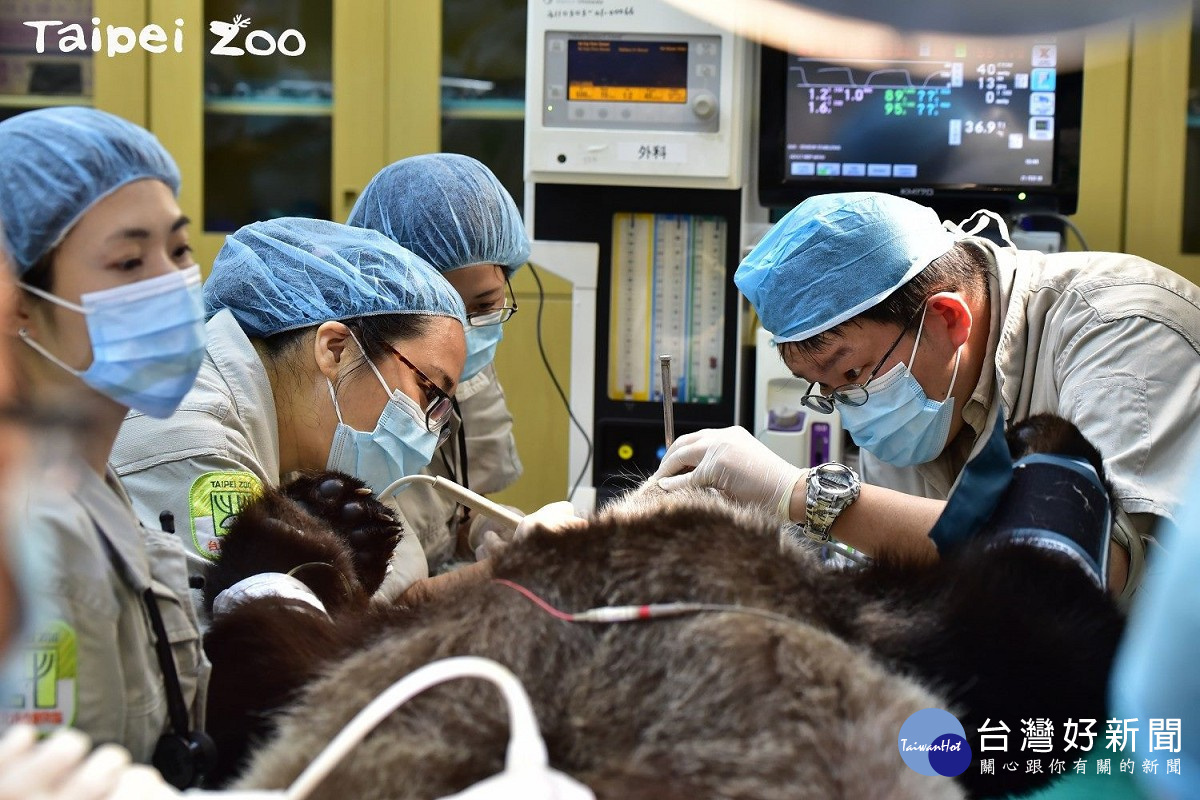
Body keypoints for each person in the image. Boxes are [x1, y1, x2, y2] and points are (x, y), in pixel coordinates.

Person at [653, 191, 1200, 601]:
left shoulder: (1121, 331)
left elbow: (1088, 570)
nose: (851, 403)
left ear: (946, 317)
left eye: (850, 372)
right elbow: (902, 581)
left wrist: (800, 493)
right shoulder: (913, 394)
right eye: (825, 389)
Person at [110, 217, 484, 605]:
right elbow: (234, 655)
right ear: (335, 348)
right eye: (428, 390)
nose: (427, 427)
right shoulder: (199, 443)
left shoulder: (276, 429)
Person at [0, 107, 210, 780]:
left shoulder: (85, 476)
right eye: (127, 260)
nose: (170, 283)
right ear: (20, 305)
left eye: (178, 251)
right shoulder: (39, 526)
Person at [348, 153, 529, 567]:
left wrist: (488, 530)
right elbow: (376, 593)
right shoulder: (351, 399)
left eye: (484, 305)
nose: (462, 334)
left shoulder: (470, 373)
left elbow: (453, 516)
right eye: (440, 310)